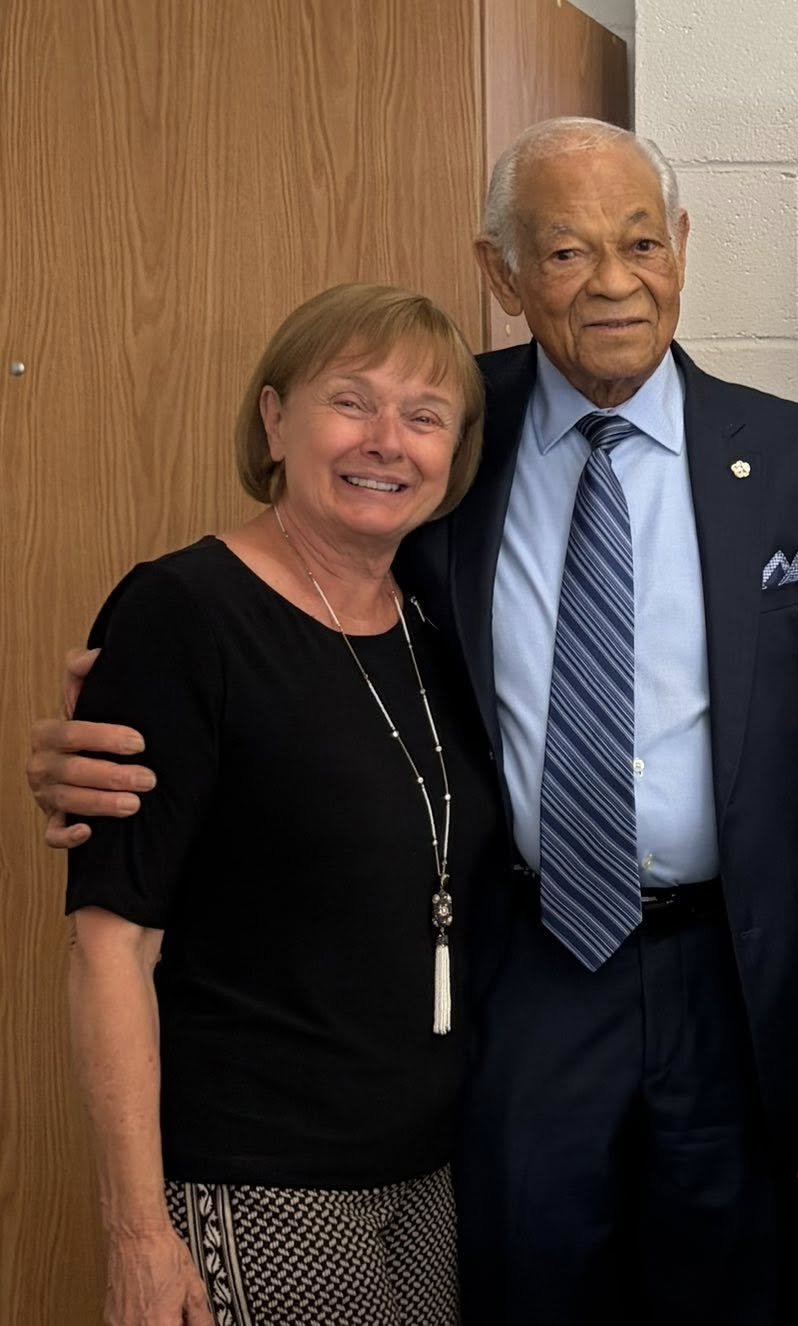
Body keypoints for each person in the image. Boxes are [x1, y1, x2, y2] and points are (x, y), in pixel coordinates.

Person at [32, 117, 798, 1324]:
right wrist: (108, 730)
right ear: (501, 273)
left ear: (681, 245)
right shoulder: (446, 435)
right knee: (518, 1289)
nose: (612, 282)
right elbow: (292, 630)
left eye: (640, 242)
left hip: (739, 978)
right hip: (519, 971)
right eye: (564, 252)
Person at [65, 283, 493, 1325]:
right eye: (351, 401)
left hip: (424, 1178)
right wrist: (138, 1233)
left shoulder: (432, 632)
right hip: (258, 1177)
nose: (386, 440)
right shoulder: (184, 612)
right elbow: (111, 944)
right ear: (273, 420)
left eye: (425, 415)